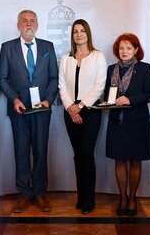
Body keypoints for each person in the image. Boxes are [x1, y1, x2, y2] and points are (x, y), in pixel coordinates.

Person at [0, 10, 58, 213]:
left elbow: (53, 78)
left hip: (42, 110)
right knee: (21, 152)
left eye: (32, 21)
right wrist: (14, 99)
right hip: (19, 110)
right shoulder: (7, 48)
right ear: (18, 25)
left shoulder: (48, 47)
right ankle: (24, 194)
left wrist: (48, 100)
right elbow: (2, 79)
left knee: (41, 151)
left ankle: (40, 193)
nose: (29, 24)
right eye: (25, 21)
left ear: (38, 25)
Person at [58, 19, 107, 214]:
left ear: (88, 34)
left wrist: (80, 106)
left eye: (82, 31)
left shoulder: (98, 56)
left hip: (90, 111)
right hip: (70, 111)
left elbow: (99, 86)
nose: (79, 34)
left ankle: (90, 200)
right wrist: (71, 107)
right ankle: (81, 197)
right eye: (75, 31)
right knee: (78, 156)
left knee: (87, 155)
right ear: (72, 36)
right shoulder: (66, 58)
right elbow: (62, 85)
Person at [104, 33, 150, 216]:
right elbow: (106, 93)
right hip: (116, 122)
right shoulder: (111, 69)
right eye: (121, 48)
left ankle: (132, 197)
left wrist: (129, 100)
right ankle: (122, 197)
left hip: (137, 122)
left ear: (136, 50)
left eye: (128, 48)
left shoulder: (144, 68)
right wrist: (105, 102)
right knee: (119, 160)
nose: (124, 51)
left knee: (135, 160)